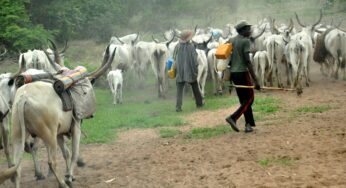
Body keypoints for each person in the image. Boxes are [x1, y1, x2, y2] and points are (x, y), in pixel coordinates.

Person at [225, 20, 261, 133]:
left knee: (243, 100)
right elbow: (248, 61)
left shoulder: (231, 40)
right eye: (247, 29)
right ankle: (233, 117)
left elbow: (229, 59)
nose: (250, 31)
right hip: (242, 73)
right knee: (250, 98)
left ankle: (248, 125)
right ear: (242, 30)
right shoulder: (245, 41)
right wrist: (256, 80)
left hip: (234, 74)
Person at [174, 30, 204, 112]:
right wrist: (196, 69)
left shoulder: (177, 46)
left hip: (180, 71)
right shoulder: (191, 46)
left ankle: (178, 107)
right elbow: (195, 60)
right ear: (188, 38)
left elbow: (173, 58)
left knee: (179, 90)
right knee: (195, 87)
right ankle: (199, 104)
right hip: (190, 71)